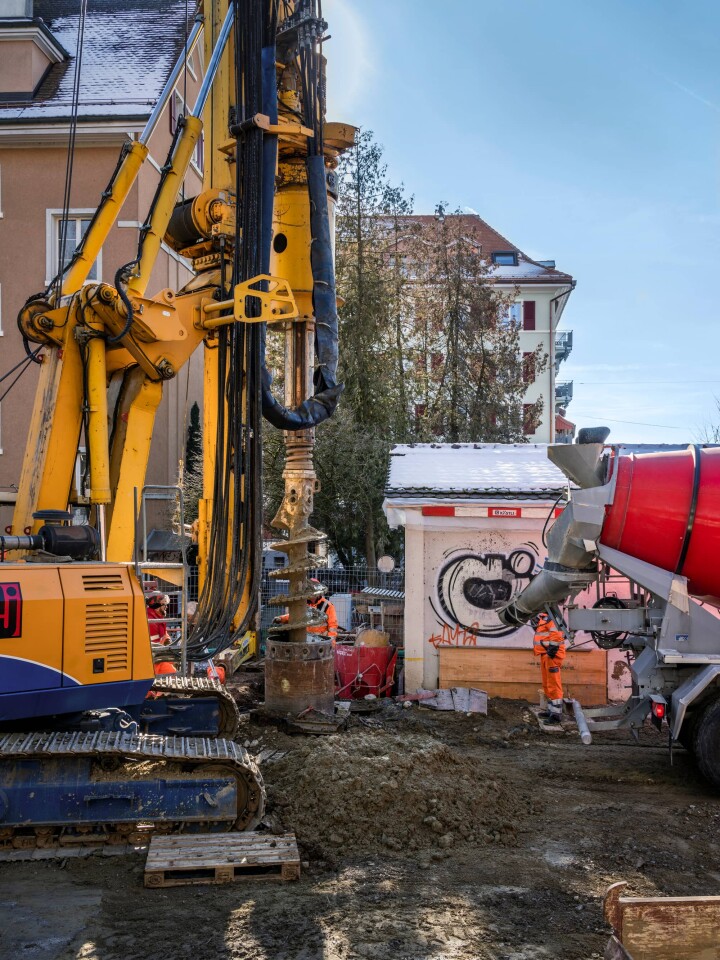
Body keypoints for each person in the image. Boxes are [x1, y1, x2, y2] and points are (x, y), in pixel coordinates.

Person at [273, 578, 338, 647]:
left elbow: (333, 627)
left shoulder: (328, 606)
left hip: (321, 641)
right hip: (306, 640)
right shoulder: (303, 604)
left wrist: (331, 643)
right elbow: (295, 616)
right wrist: (281, 618)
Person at [533, 612, 566, 724]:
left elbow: (556, 635)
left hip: (551, 655)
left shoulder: (551, 617)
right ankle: (551, 711)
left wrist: (550, 653)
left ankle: (556, 715)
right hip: (546, 654)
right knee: (547, 684)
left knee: (553, 684)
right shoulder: (544, 617)